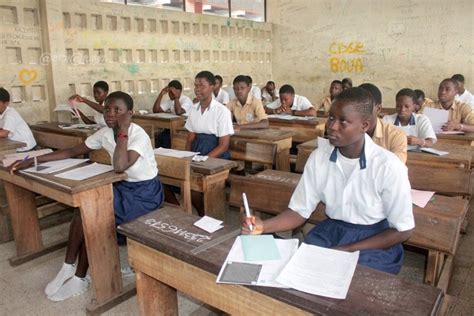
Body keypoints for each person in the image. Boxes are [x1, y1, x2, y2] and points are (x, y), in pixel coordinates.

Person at [9, 91, 164, 301]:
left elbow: (119, 166)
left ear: (129, 113)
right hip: (123, 188)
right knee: (85, 208)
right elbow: (72, 151)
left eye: (117, 110)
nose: (110, 114)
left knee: (91, 213)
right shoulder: (104, 132)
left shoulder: (137, 135)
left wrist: (124, 130)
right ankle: (69, 268)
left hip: (145, 195)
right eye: (107, 108)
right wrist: (33, 161)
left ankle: (78, 277)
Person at [242, 87, 414, 275]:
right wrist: (263, 226)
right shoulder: (319, 157)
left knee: (352, 280)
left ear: (364, 125)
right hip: (332, 232)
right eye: (331, 118)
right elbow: (299, 211)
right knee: (297, 271)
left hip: (374, 241)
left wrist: (347, 250)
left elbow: (403, 230)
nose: (332, 126)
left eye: (343, 121)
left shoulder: (388, 166)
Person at [185, 71, 234, 215]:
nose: (197, 89)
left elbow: (224, 145)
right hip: (197, 151)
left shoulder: (221, 111)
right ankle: (202, 213)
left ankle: (207, 214)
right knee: (183, 181)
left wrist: (205, 159)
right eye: (195, 85)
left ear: (212, 87)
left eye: (202, 86)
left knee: (195, 187)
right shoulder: (193, 109)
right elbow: (190, 138)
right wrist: (187, 157)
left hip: (217, 155)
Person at [359, 83, 407, 163]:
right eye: (354, 107)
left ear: (378, 108)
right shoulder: (346, 130)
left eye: (365, 107)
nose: (359, 112)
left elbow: (396, 168)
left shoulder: (395, 135)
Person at [152, 80, 193, 147]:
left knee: (166, 139)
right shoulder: (171, 101)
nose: (170, 94)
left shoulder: (186, 100)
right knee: (159, 137)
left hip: (183, 128)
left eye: (172, 92)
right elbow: (156, 110)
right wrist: (161, 94)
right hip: (172, 127)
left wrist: (176, 96)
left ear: (179, 91)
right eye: (169, 92)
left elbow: (179, 112)